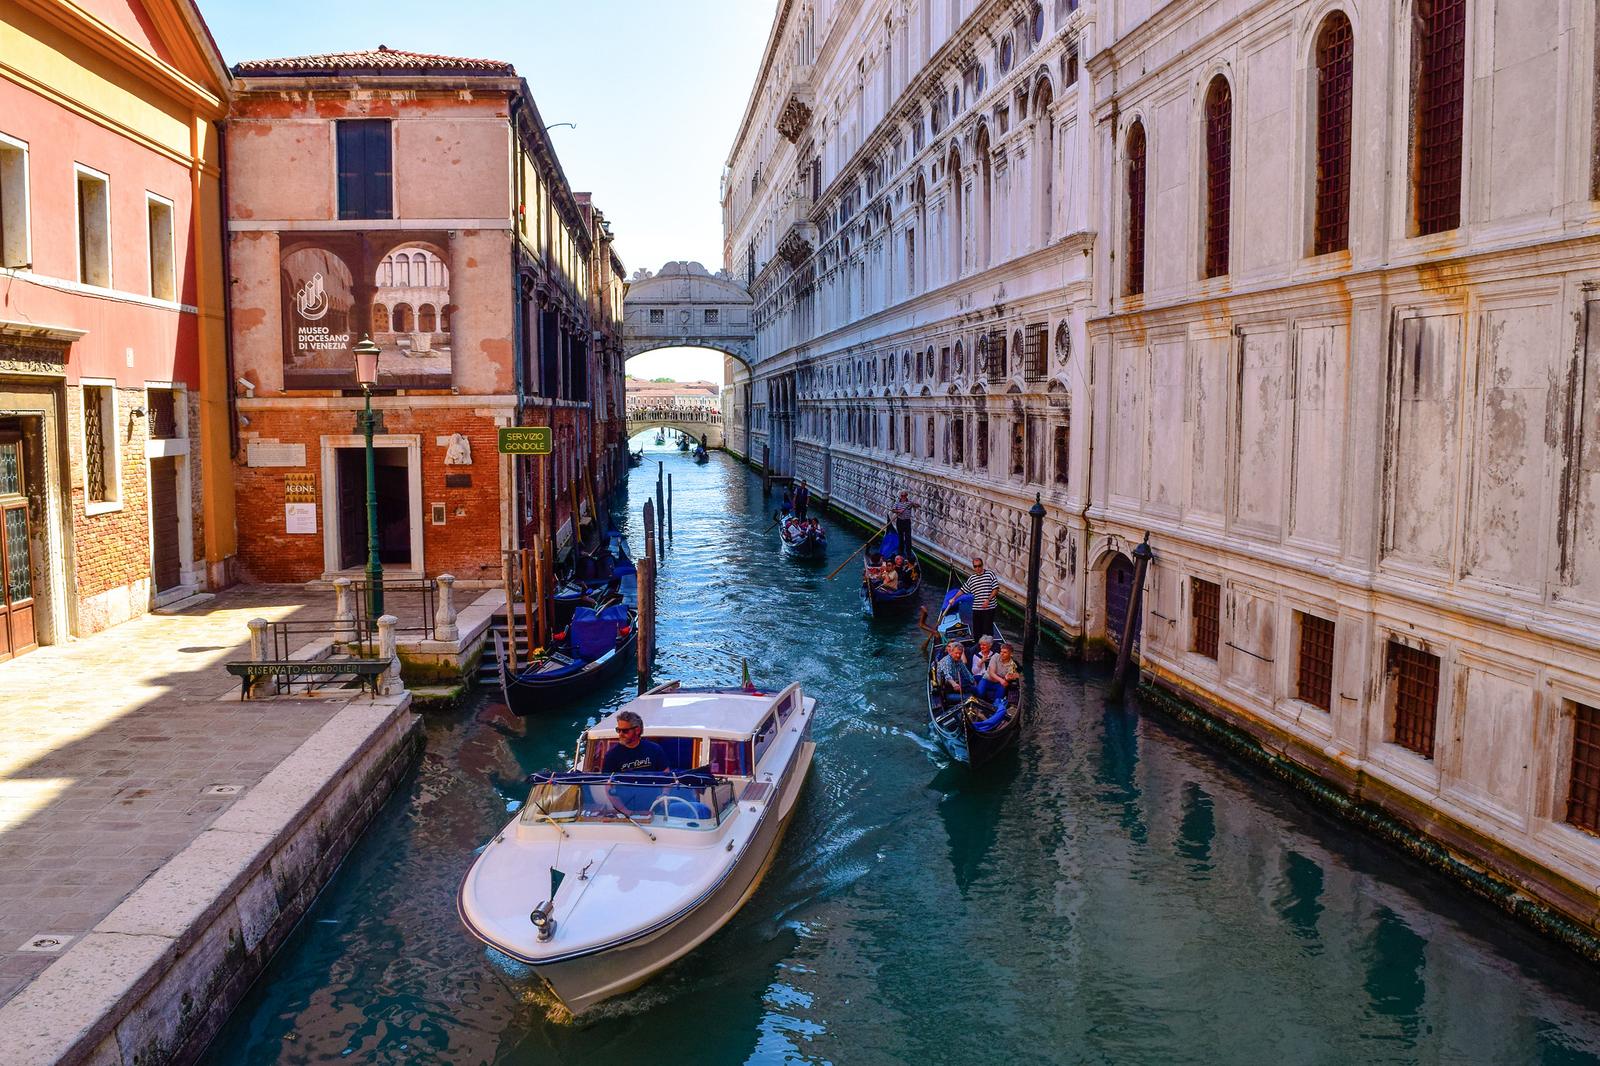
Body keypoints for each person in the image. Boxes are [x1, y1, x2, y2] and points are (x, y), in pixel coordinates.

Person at [601, 710, 669, 774]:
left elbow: (666, 776)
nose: (620, 734)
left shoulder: (655, 750)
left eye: (625, 731)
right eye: (618, 730)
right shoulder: (611, 755)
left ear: (637, 730)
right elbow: (607, 783)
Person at [960, 558, 1001, 642]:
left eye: (979, 566)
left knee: (987, 630)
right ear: (973, 567)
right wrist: (953, 599)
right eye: (975, 566)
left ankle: (989, 647)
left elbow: (996, 589)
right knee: (977, 631)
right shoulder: (972, 578)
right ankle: (978, 648)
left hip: (989, 608)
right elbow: (963, 590)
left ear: (982, 565)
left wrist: (988, 600)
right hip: (977, 608)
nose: (977, 568)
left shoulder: (990, 574)